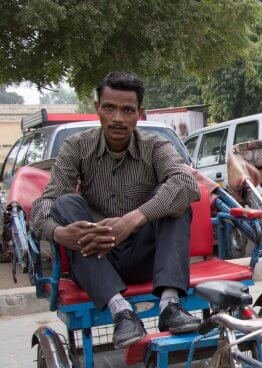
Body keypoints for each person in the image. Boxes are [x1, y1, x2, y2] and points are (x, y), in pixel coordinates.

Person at [30, 72, 201, 348]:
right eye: (109, 108)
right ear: (97, 108)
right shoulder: (77, 146)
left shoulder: (156, 146)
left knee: (176, 200)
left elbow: (186, 184)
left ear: (139, 113)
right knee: (65, 203)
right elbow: (45, 204)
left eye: (127, 110)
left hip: (146, 258)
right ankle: (121, 312)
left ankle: (170, 306)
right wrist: (59, 233)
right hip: (96, 256)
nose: (118, 118)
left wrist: (131, 221)